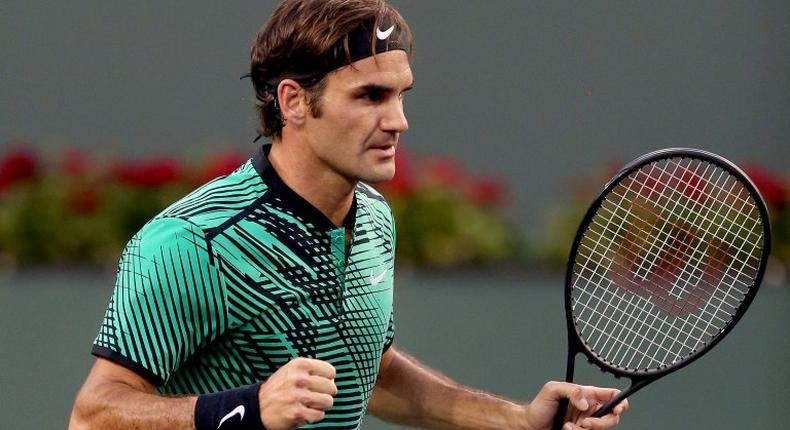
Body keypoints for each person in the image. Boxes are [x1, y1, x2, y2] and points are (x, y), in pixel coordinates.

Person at [69, 1, 628, 429]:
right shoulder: (192, 243)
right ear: (293, 102)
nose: (398, 121)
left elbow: (374, 373)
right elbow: (93, 415)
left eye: (401, 95)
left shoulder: (374, 219)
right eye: (370, 97)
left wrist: (517, 418)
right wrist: (246, 409)